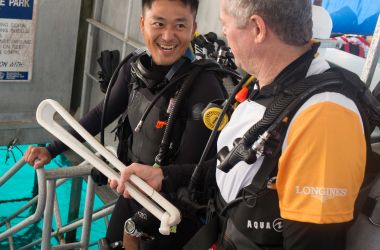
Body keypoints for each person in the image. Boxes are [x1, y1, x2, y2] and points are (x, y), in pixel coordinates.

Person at [111, 0, 368, 249]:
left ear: (257, 28)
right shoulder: (269, 87)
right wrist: (165, 176)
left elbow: (314, 242)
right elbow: (237, 171)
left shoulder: (324, 119)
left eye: (225, 24)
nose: (223, 33)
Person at [24, 0, 228, 249]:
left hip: (175, 209)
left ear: (193, 27)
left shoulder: (204, 87)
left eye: (180, 25)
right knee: (110, 244)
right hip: (134, 190)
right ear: (143, 24)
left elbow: (208, 170)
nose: (168, 36)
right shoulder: (135, 69)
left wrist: (163, 180)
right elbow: (102, 113)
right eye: (159, 23)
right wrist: (52, 148)